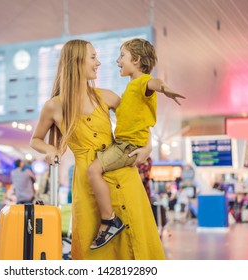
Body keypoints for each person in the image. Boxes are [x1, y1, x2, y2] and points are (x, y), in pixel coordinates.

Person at [30, 39, 165, 259]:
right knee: (94, 250)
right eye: (93, 57)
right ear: (76, 61)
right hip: (88, 183)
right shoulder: (54, 105)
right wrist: (49, 150)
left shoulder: (106, 96)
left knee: (138, 243)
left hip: (124, 175)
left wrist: (147, 147)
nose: (99, 63)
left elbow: (136, 121)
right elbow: (35, 139)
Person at [86, 38, 184, 248]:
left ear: (137, 59)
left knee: (93, 171)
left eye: (122, 56)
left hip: (126, 145)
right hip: (124, 142)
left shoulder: (141, 82)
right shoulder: (131, 88)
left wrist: (164, 88)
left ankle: (109, 220)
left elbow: (153, 84)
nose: (117, 60)